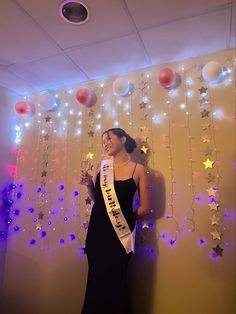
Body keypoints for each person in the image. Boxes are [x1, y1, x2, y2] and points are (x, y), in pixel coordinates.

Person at [80, 128, 150, 314]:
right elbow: (98, 200)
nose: (105, 143)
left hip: (121, 235)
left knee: (116, 282)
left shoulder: (138, 169)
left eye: (109, 138)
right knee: (96, 281)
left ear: (123, 139)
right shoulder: (101, 167)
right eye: (103, 141)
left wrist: (127, 216)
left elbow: (145, 207)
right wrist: (89, 184)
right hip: (97, 232)